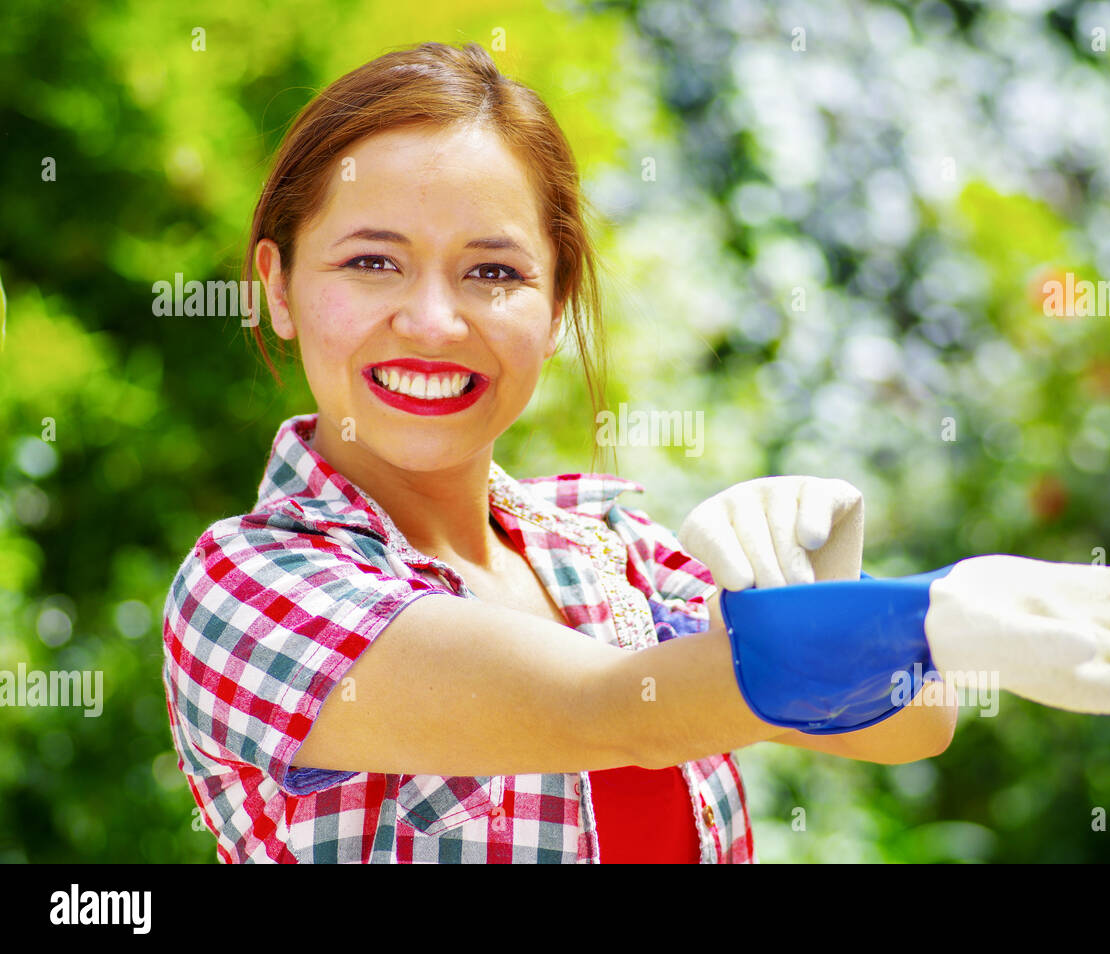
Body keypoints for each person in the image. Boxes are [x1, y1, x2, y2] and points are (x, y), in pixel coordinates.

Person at [160, 41, 961, 865]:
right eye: (372, 262)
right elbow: (619, 712)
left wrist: (828, 586)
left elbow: (912, 721)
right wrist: (953, 615)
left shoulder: (617, 555)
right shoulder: (248, 587)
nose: (434, 322)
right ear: (278, 287)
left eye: (493, 271)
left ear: (554, 310)